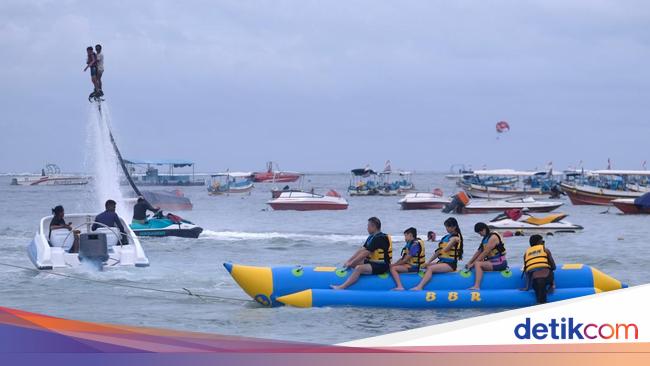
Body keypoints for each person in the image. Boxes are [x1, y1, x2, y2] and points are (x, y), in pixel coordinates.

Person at [331, 217, 392, 290]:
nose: (367, 228)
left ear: (374, 227)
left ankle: (342, 287)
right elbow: (361, 250)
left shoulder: (380, 238)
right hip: (373, 262)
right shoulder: (372, 237)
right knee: (353, 264)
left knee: (358, 268)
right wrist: (349, 261)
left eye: (368, 226)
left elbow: (364, 254)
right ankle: (353, 277)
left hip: (382, 266)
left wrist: (351, 263)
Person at [410, 217, 464, 291]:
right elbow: (438, 252)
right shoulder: (446, 237)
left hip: (450, 265)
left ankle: (420, 287)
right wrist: (428, 262)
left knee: (430, 268)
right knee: (424, 266)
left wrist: (453, 240)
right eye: (446, 227)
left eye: (448, 227)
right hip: (442, 262)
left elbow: (446, 249)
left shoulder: (455, 238)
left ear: (454, 227)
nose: (447, 229)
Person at [466, 222, 507, 290]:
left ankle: (477, 286)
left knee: (477, 264)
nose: (480, 235)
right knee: (474, 265)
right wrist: (469, 262)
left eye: (480, 232)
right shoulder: (485, 239)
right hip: (491, 262)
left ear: (484, 229)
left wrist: (473, 263)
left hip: (500, 262)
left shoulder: (493, 237)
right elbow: (479, 252)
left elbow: (485, 252)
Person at [520, 235, 556, 304]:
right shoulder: (545, 250)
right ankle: (552, 285)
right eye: (542, 241)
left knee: (539, 300)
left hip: (535, 282)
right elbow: (554, 267)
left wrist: (527, 287)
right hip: (547, 278)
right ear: (538, 242)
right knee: (549, 268)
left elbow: (527, 272)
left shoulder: (526, 254)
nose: (544, 243)